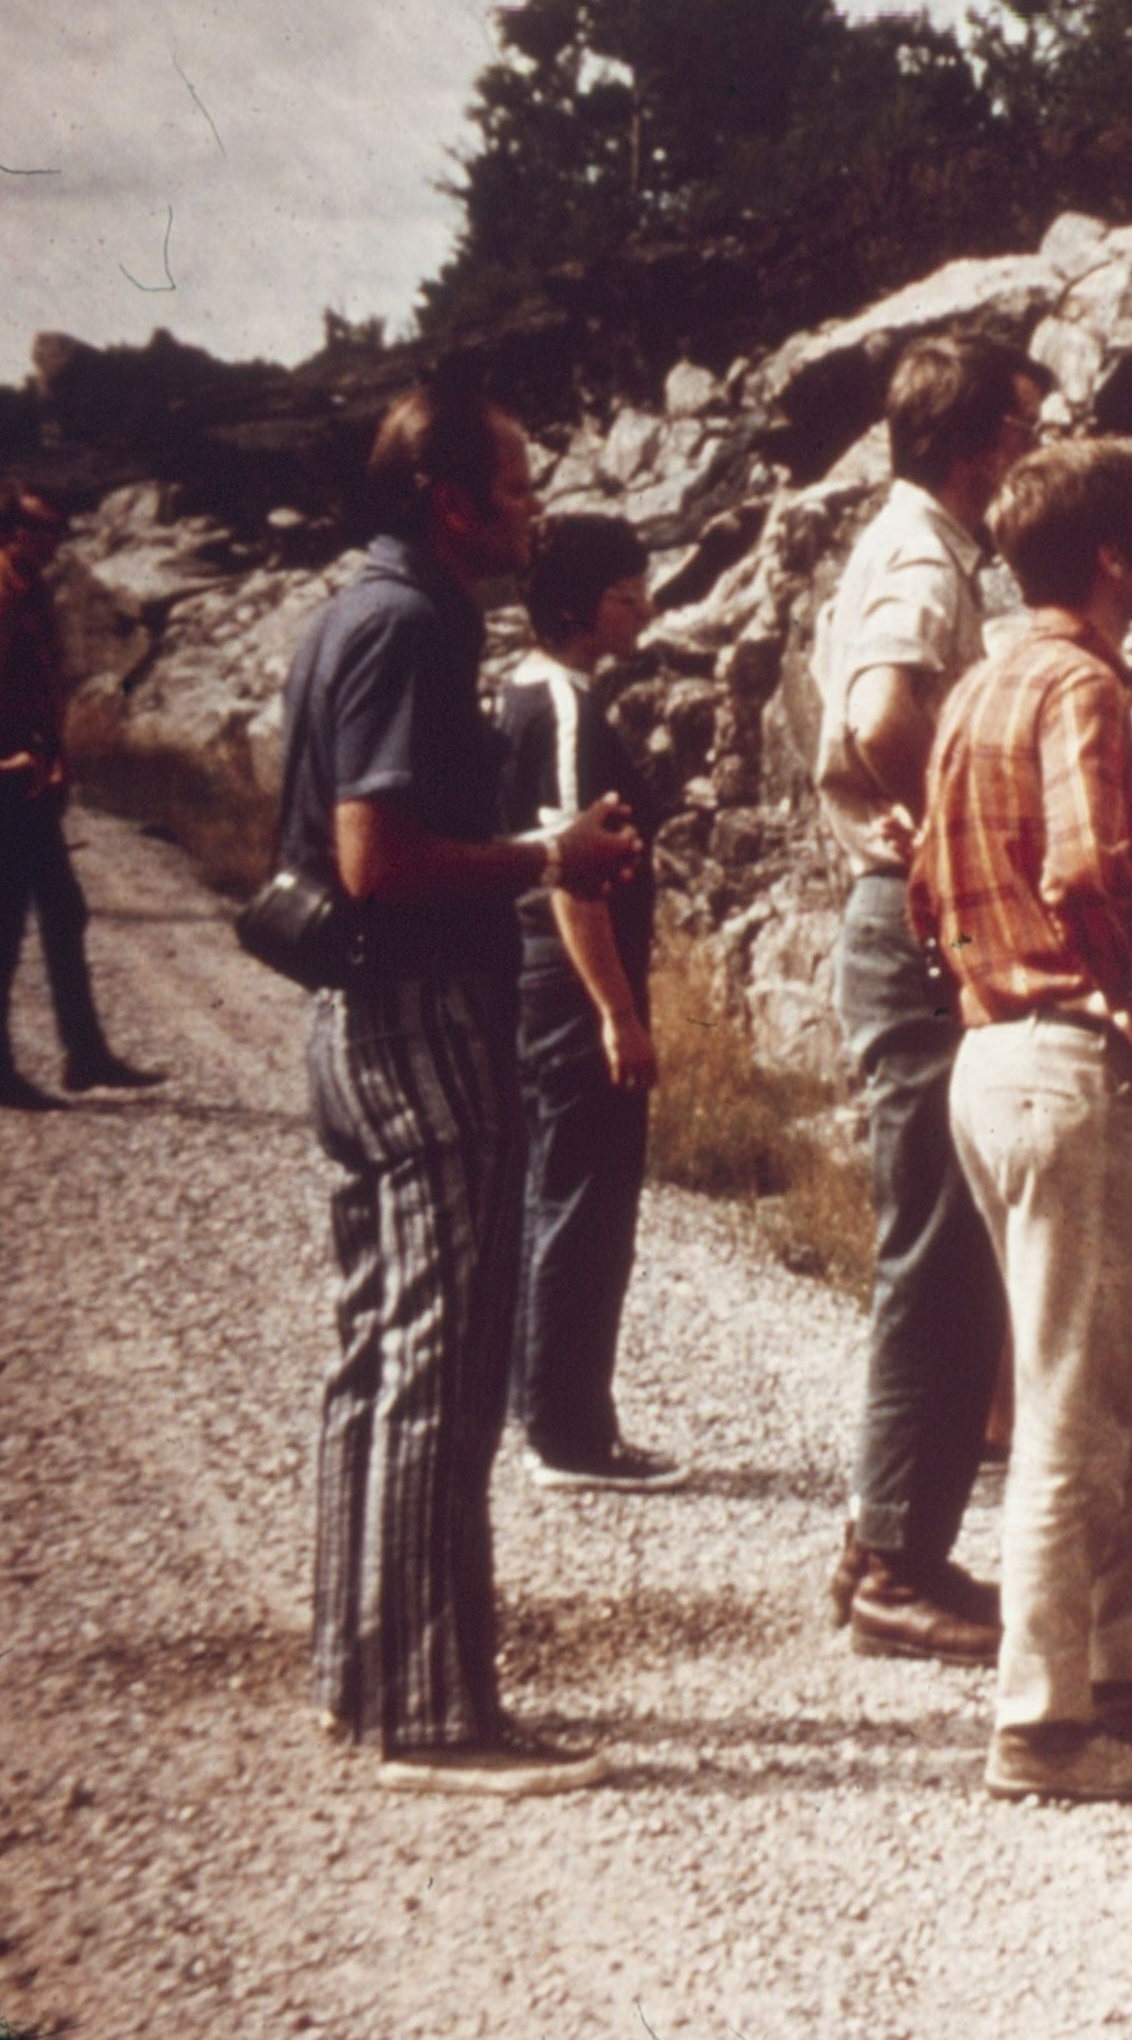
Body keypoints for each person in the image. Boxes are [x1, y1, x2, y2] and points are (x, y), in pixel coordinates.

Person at [276, 381, 640, 1793]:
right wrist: (553, 859)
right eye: (517, 485)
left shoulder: (355, 610)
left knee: (375, 1354)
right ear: (449, 501)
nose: (535, 509)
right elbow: (375, 852)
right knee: (440, 1363)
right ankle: (430, 1714)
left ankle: (360, 1672)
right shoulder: (417, 621)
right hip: (422, 1013)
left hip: (357, 1019)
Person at [912, 438, 1132, 1803]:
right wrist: (1124, 989)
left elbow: (925, 890)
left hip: (989, 1052)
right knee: (1070, 1404)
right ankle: (1043, 1726)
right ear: (1112, 556)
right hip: (1063, 1056)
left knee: (1114, 1377)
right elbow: (1090, 860)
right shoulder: (1082, 687)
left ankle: (1124, 1668)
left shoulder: (978, 681)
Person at [812, 335, 1045, 1662]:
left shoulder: (919, 546)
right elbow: (882, 709)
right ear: (975, 447)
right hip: (912, 930)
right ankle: (898, 1560)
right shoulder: (920, 556)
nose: (1029, 456)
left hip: (900, 918)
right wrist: (954, 839)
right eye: (1022, 431)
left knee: (948, 1244)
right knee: (938, 1246)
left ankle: (890, 1537)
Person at [498, 513, 683, 1492]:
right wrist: (618, 1010)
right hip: (572, 985)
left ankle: (549, 1410)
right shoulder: (566, 713)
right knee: (589, 1200)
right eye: (626, 593)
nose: (643, 608)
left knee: (553, 1189)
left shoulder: (520, 694)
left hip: (539, 984)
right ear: (576, 606)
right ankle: (570, 1435)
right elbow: (573, 877)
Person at [0, 481, 163, 1106]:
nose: (55, 540)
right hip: (9, 784)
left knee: (63, 912)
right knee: (8, 923)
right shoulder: (6, 592)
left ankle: (86, 1054)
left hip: (34, 781)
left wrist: (56, 754)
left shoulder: (31, 589)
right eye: (44, 528)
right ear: (14, 531)